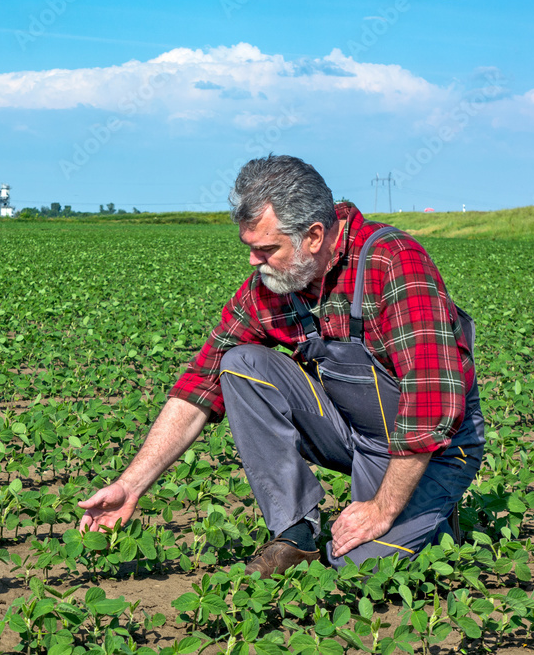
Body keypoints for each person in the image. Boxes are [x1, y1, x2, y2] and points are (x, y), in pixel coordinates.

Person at [78, 155, 485, 578]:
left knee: (355, 569)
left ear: (313, 236)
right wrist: (130, 486)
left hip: (436, 447)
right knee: (239, 364)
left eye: (266, 249)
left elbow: (432, 401)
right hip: (356, 435)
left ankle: (435, 519)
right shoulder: (275, 285)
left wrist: (382, 509)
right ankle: (295, 533)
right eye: (250, 248)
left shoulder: (392, 262)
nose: (254, 261)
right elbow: (201, 383)